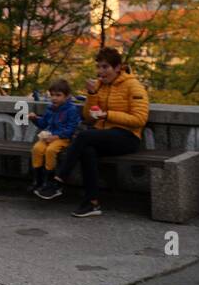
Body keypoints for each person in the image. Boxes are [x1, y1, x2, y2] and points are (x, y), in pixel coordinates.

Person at [37, 47, 149, 217]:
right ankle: (92, 202)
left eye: (105, 67)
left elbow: (139, 119)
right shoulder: (99, 86)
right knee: (87, 150)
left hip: (127, 137)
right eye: (98, 67)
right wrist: (92, 93)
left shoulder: (134, 86)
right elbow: (89, 118)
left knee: (84, 137)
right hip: (102, 135)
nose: (101, 72)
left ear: (118, 67)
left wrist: (108, 115)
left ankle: (58, 181)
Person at [28, 79, 80, 194]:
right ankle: (38, 180)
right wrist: (35, 119)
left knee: (50, 151)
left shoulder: (71, 110)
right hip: (49, 136)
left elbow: (71, 129)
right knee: (37, 149)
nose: (54, 98)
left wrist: (56, 137)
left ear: (67, 96)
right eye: (52, 95)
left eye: (58, 95)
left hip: (63, 138)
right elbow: (43, 124)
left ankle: (49, 180)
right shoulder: (50, 108)